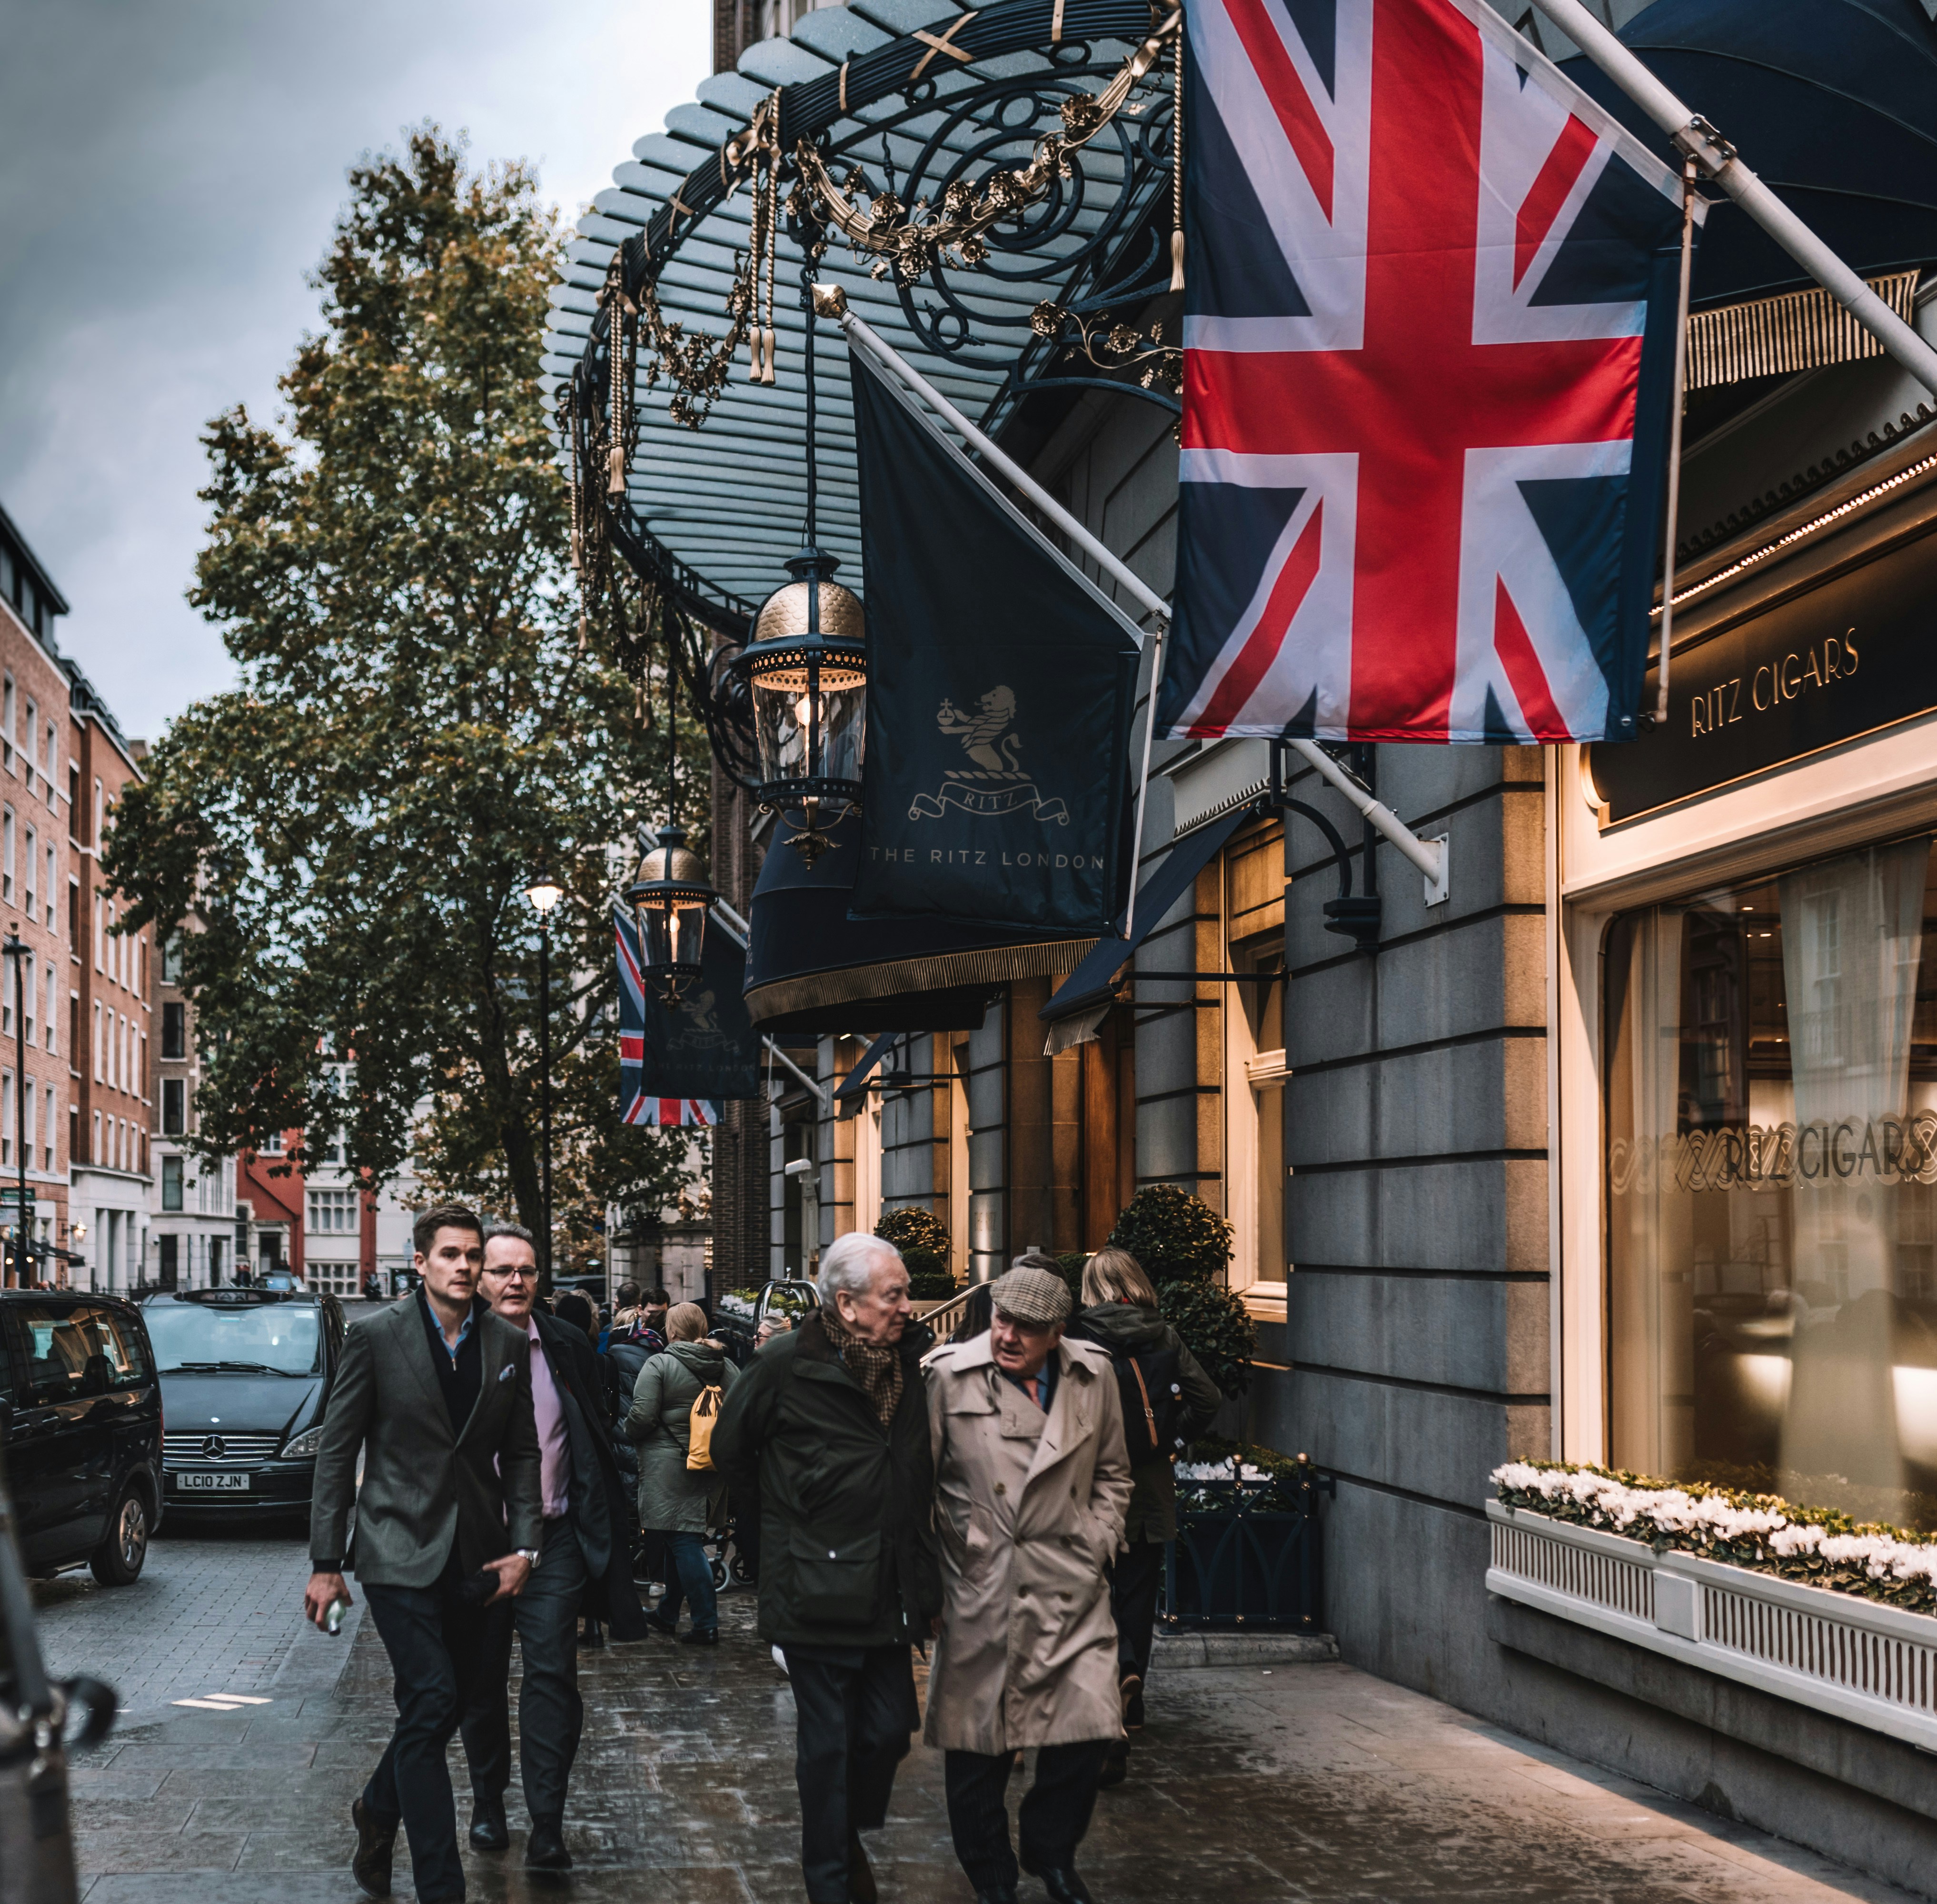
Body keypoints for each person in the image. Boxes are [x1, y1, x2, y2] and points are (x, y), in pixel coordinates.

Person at [303, 1204, 542, 1904]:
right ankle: (443, 1886)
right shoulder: (376, 1337)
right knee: (434, 1698)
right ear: (420, 1263)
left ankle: (378, 1811)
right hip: (395, 1547)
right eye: (450, 1255)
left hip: (478, 1557)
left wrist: (524, 1544)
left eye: (473, 1256)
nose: (465, 1267)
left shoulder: (504, 1342)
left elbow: (523, 1452)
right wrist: (326, 1562)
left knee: (439, 1710)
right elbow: (337, 1450)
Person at [712, 1231, 940, 1904]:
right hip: (814, 1587)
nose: (907, 1306)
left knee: (890, 1730)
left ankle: (841, 1837)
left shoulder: (908, 1365)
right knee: (830, 1746)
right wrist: (791, 1522)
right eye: (894, 1294)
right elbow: (733, 1455)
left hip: (890, 1584)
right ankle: (833, 1883)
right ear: (847, 1304)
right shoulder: (785, 1365)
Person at [923, 1263, 1133, 1904]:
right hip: (982, 1584)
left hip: (1069, 1582)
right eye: (1002, 1320)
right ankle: (992, 1878)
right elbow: (920, 1485)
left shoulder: (1093, 1374)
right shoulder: (946, 1375)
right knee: (978, 1747)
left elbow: (1114, 1472)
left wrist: (1097, 1536)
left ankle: (1052, 1852)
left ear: (1057, 1333)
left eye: (1028, 1329)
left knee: (1092, 1725)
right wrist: (937, 1580)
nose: (1008, 1336)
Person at [458, 1224, 647, 1868]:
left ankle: (547, 1824)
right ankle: (488, 1804)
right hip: (479, 1545)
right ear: (478, 1277)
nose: (516, 1282)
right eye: (502, 1270)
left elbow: (591, 1437)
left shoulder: (566, 1345)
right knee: (480, 1684)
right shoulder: (452, 1349)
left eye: (528, 1271)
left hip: (554, 1538)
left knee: (551, 1680)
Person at [1066, 1246, 1223, 1785]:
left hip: (1091, 1486)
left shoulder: (1078, 1336)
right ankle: (1132, 1697)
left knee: (1094, 1590)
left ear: (1090, 1286)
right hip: (1150, 1487)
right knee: (1136, 1592)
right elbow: (1207, 1397)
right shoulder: (1162, 1333)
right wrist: (1171, 1440)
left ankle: (1116, 1678)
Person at [623, 1302, 738, 1645]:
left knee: (684, 1541)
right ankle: (668, 1613)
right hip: (710, 1462)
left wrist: (629, 1432)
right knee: (680, 1535)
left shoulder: (660, 1363)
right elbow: (742, 1408)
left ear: (672, 1331)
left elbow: (641, 1415)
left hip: (670, 1466)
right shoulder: (725, 1364)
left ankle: (706, 1624)